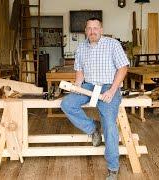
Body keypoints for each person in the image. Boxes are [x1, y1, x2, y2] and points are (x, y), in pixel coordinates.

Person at [60, 17, 129, 180]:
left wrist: (112, 90)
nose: (92, 31)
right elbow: (80, 71)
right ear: (85, 31)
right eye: (89, 28)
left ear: (101, 30)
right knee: (67, 104)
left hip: (108, 86)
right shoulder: (81, 47)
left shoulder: (113, 44)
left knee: (109, 124)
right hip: (89, 86)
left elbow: (123, 68)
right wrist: (77, 85)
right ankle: (92, 128)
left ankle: (113, 167)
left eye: (95, 28)